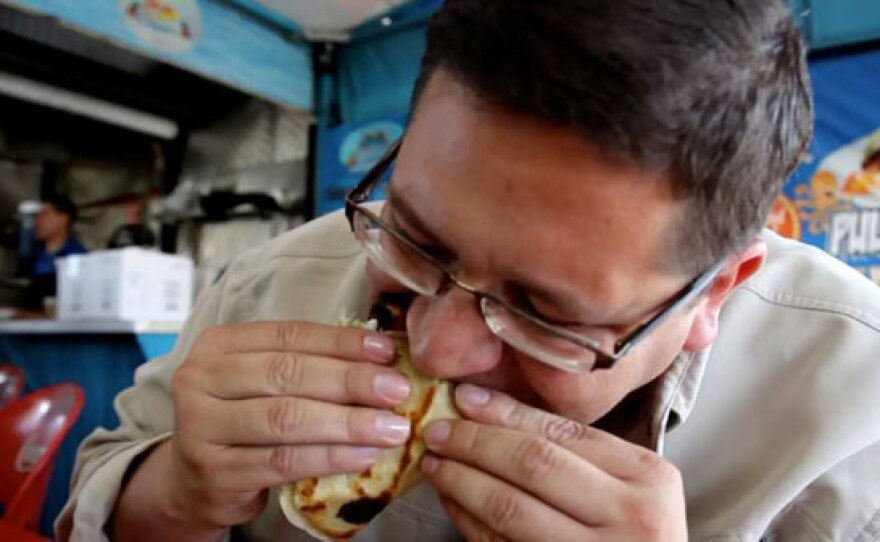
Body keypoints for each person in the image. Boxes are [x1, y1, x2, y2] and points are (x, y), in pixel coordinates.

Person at [58, 1, 880, 541]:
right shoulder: (269, 286)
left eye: (545, 312)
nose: (441, 347)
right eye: (418, 242)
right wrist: (170, 494)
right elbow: (94, 501)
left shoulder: (854, 421)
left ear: (714, 295)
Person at [24, 195, 87, 311]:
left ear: (63, 219)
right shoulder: (31, 254)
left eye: (44, 215)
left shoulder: (77, 256)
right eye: (36, 216)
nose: (37, 221)